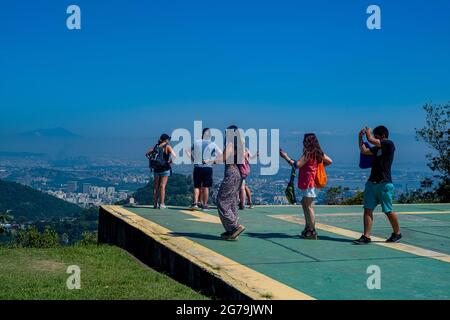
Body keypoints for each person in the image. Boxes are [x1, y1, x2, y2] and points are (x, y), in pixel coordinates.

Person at [353, 126, 402, 244]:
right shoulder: (377, 149)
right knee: (367, 209)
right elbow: (364, 151)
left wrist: (368, 134)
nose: (374, 138)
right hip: (372, 183)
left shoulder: (389, 144)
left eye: (376, 136)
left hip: (384, 183)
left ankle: (397, 233)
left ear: (383, 136)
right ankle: (366, 236)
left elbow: (370, 140)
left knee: (388, 210)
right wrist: (360, 138)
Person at [280, 133, 333, 239]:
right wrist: (319, 167)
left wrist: (285, 157)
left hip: (310, 182)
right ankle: (308, 227)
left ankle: (312, 230)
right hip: (314, 182)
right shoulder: (318, 152)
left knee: (308, 206)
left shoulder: (308, 153)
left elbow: (297, 165)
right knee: (305, 203)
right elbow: (329, 161)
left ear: (307, 142)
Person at [215, 125, 246, 240]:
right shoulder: (240, 145)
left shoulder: (230, 144)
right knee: (231, 202)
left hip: (231, 173)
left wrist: (209, 159)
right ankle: (231, 230)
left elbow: (222, 158)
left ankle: (234, 226)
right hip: (237, 174)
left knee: (221, 201)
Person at [188, 128, 222, 211]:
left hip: (197, 167)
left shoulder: (196, 142)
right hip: (208, 167)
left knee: (197, 186)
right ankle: (205, 205)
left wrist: (193, 159)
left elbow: (187, 150)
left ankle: (195, 203)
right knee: (206, 187)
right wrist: (211, 160)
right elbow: (221, 154)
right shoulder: (213, 144)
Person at [145, 134, 176, 209]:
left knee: (155, 187)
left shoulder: (156, 147)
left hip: (156, 169)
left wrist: (152, 160)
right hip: (165, 168)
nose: (169, 141)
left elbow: (147, 154)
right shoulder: (167, 147)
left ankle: (155, 204)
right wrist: (170, 162)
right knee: (162, 186)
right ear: (166, 140)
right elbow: (174, 155)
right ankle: (162, 204)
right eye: (168, 139)